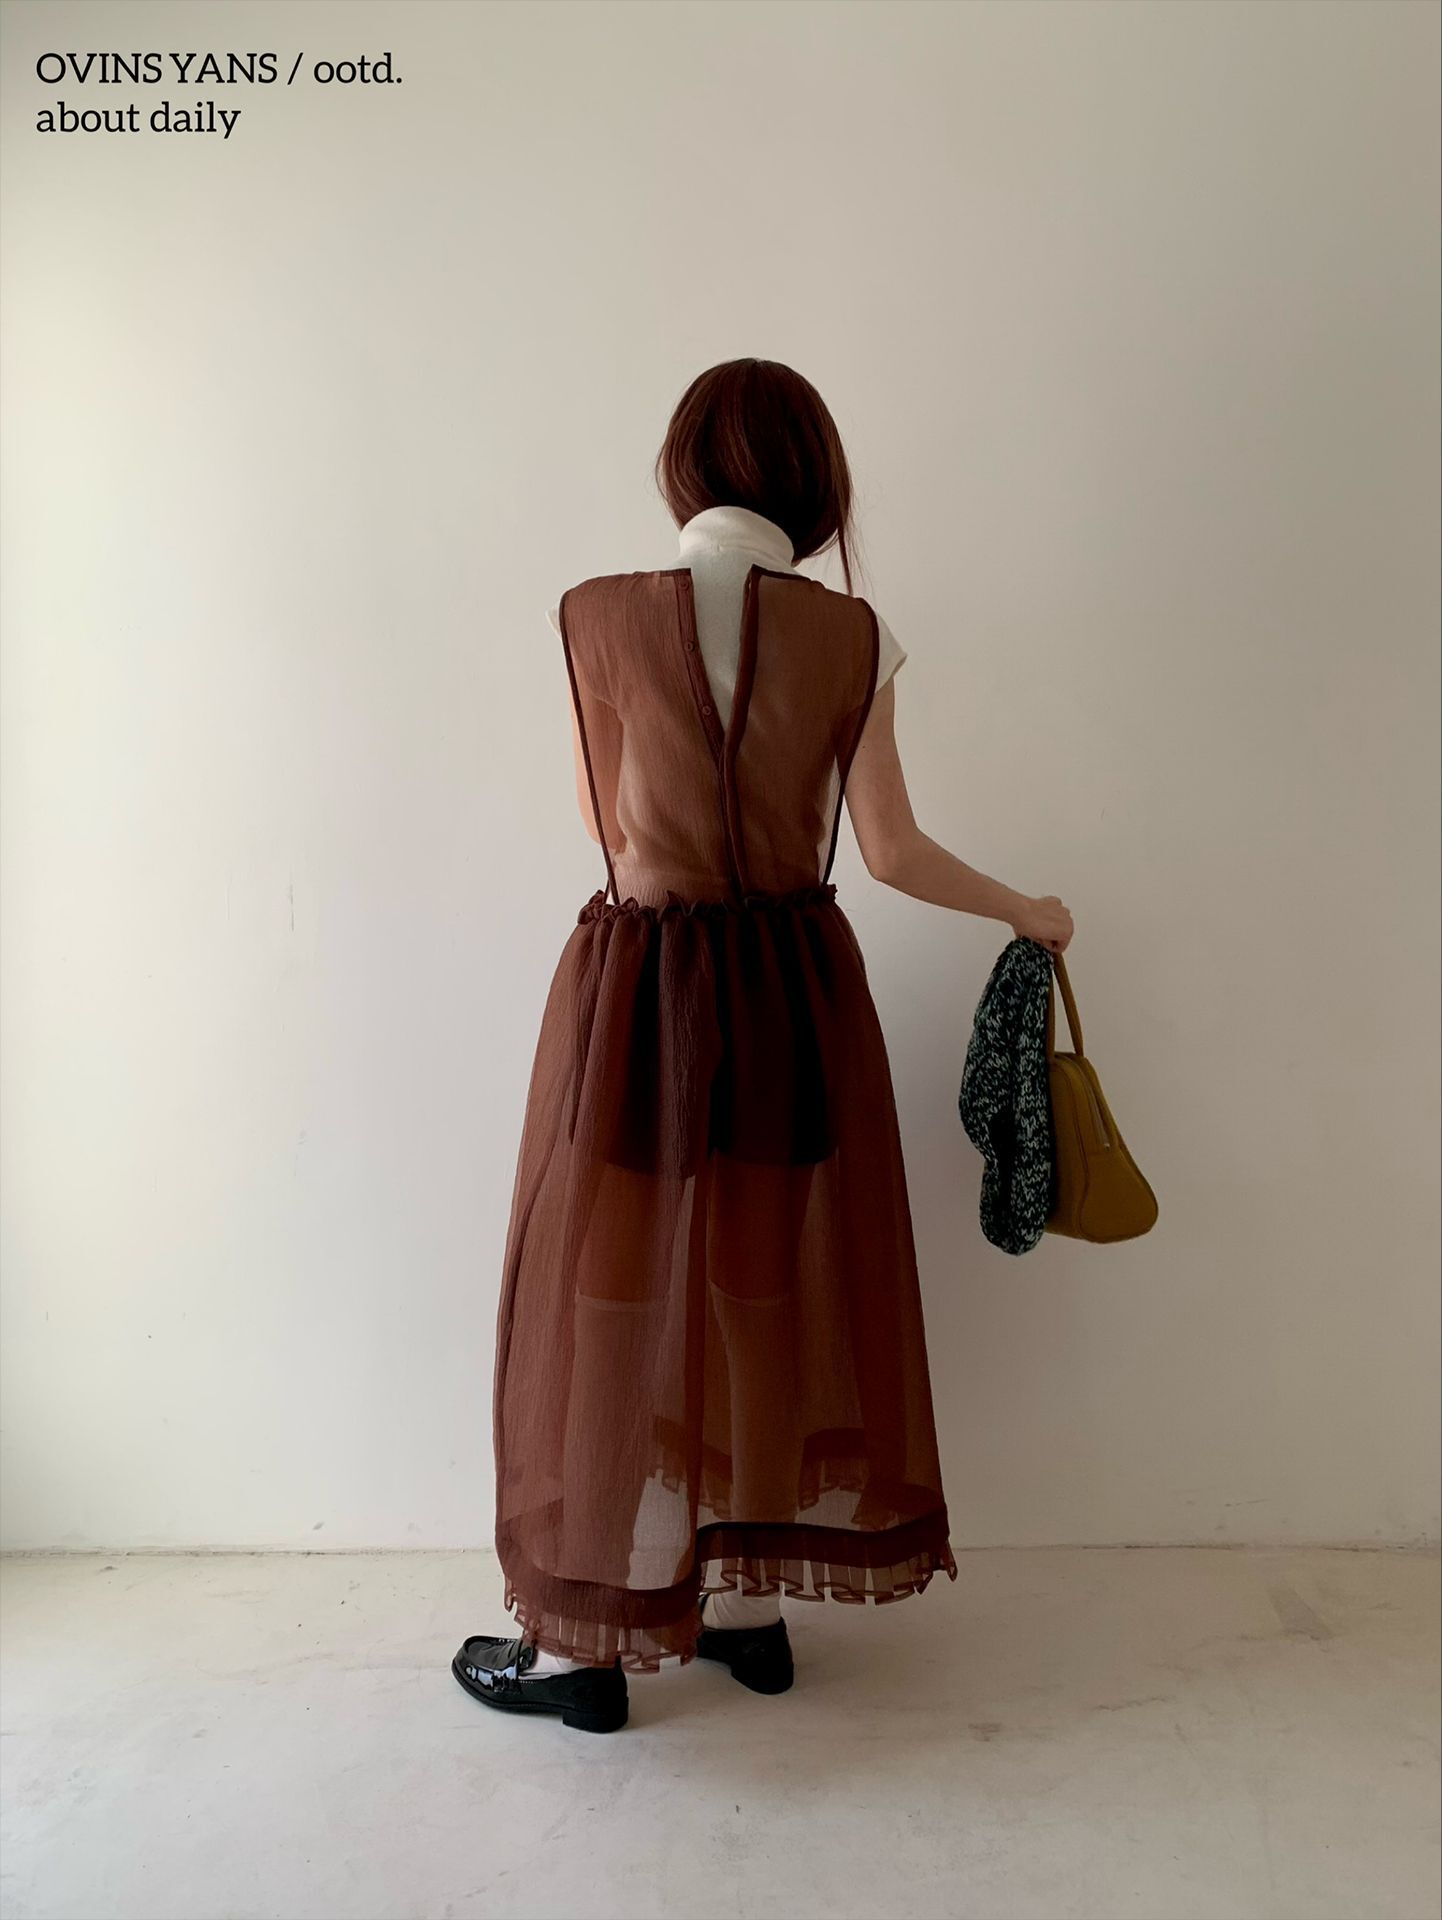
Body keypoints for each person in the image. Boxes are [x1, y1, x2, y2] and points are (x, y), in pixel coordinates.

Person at [453, 359, 1074, 1734]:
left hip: (645, 994)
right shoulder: (853, 637)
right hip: (793, 987)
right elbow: (892, 850)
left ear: (684, 469)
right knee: (760, 1285)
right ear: (812, 481)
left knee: (611, 1298)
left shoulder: (595, 617)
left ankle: (586, 1645)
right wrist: (1022, 908)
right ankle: (748, 1609)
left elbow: (608, 828)